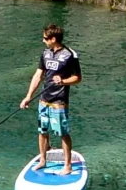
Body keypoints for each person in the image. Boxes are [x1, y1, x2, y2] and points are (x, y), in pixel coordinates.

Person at [20, 23, 81, 175]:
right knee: (42, 131)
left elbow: (77, 78)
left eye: (45, 38)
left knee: (62, 133)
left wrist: (63, 81)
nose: (43, 40)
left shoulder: (70, 55)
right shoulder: (46, 53)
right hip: (44, 99)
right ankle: (43, 160)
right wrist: (28, 96)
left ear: (53, 38)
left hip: (59, 101)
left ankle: (67, 165)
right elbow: (38, 75)